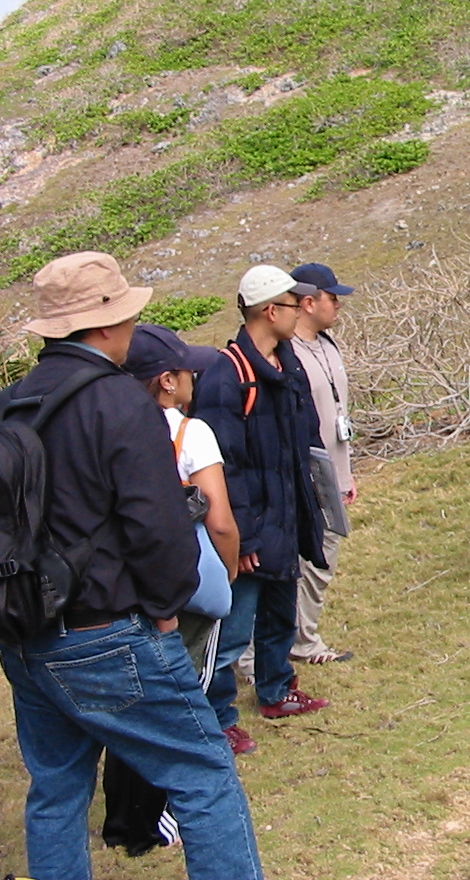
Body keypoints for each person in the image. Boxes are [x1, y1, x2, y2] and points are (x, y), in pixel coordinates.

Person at [0, 251, 263, 880]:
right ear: (107, 325)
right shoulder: (120, 404)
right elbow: (158, 527)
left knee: (58, 788)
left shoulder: (13, 402)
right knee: (203, 773)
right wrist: (169, 608)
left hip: (27, 628)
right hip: (109, 629)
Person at [102, 323, 240, 857]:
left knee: (131, 703)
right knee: (184, 698)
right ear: (165, 381)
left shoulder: (108, 427)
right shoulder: (190, 433)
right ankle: (154, 816)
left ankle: (123, 816)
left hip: (125, 587)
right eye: (185, 371)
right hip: (182, 584)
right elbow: (221, 520)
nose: (193, 378)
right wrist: (224, 575)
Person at [193, 264, 330, 757]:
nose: (301, 312)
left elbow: (305, 442)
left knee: (279, 616)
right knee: (230, 634)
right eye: (294, 304)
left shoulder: (288, 364)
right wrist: (243, 539)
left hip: (288, 517)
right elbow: (223, 469)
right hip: (252, 528)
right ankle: (218, 719)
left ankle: (276, 691)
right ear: (271, 310)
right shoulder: (226, 378)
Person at [288, 262, 357, 664]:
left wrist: (347, 473)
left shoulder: (328, 345)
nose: (338, 307)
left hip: (335, 472)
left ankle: (304, 636)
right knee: (306, 562)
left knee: (324, 561)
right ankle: (297, 642)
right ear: (309, 302)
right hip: (308, 476)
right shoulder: (287, 352)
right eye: (333, 298)